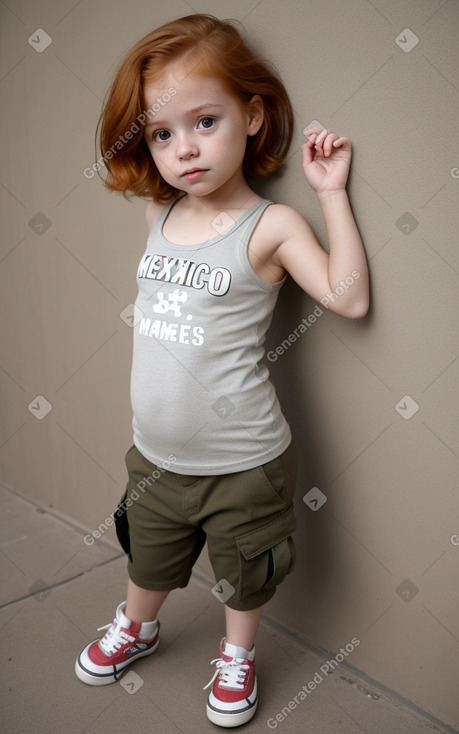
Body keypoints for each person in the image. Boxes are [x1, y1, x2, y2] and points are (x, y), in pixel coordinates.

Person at [75, 13, 369, 728]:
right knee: (148, 554)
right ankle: (137, 627)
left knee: (245, 571)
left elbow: (347, 298)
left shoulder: (269, 227)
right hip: (153, 455)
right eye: (162, 134)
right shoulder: (160, 213)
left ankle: (237, 654)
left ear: (252, 113)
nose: (184, 150)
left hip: (243, 462)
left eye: (205, 121)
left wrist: (329, 194)